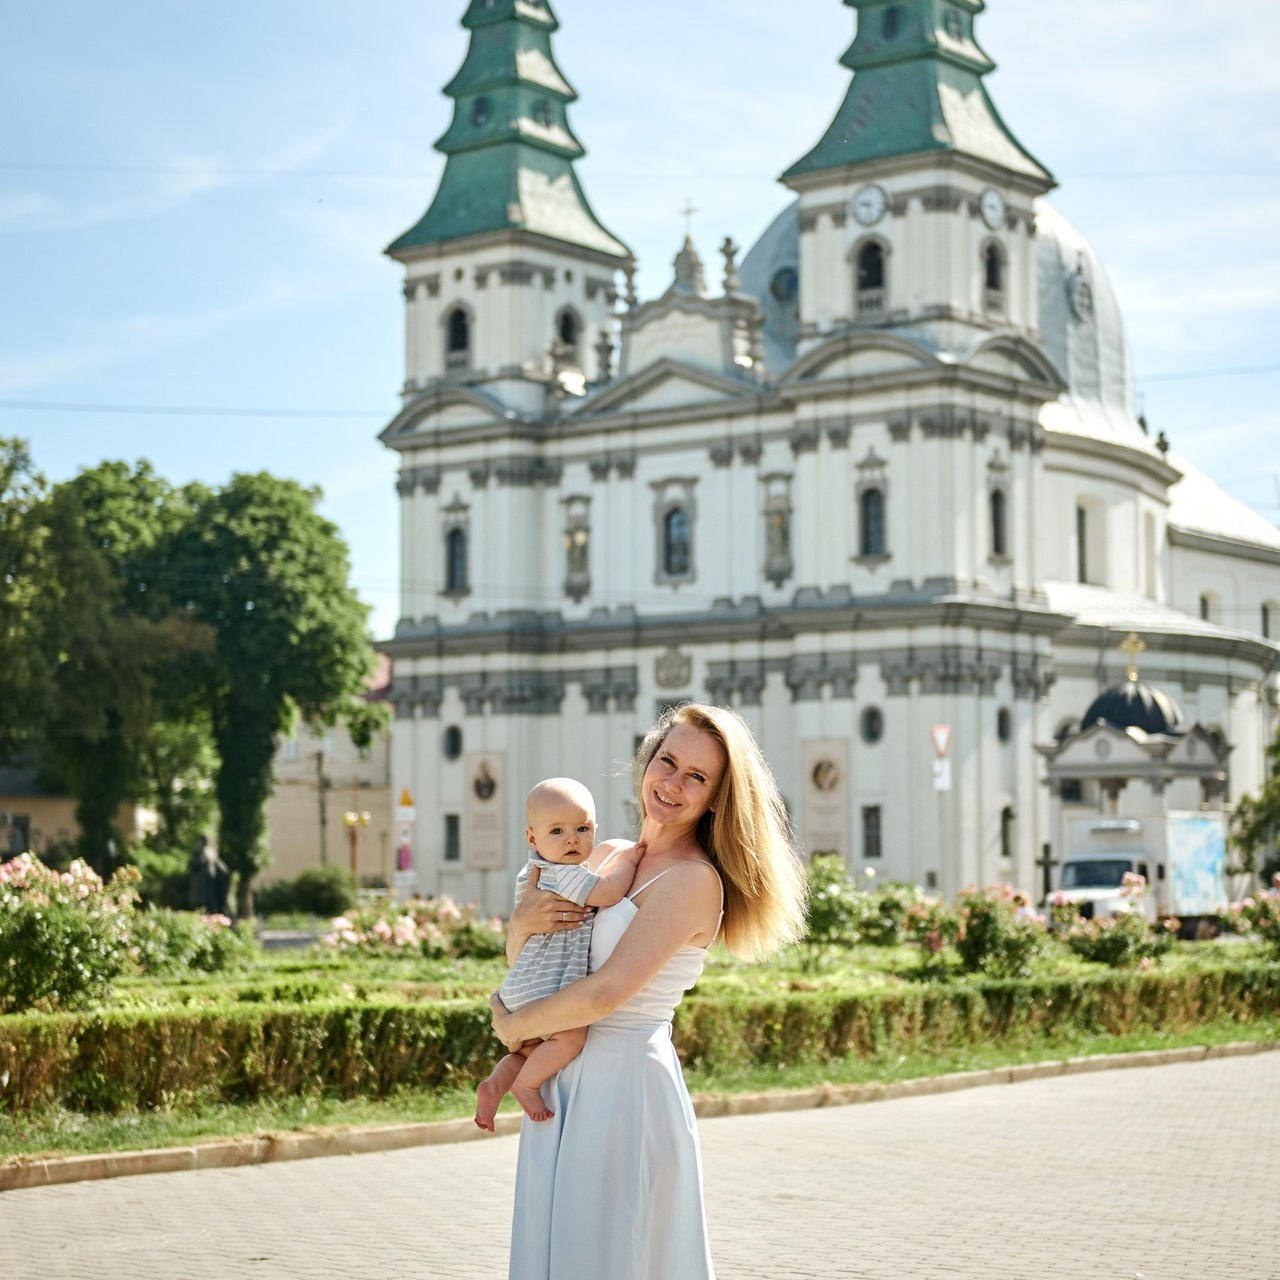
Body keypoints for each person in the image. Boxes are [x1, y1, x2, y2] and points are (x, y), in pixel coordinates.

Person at [491, 703, 808, 1280]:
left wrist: (515, 1028)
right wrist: (518, 928)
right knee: (558, 1249)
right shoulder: (603, 855)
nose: (673, 783)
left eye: (697, 777)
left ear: (716, 798)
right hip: (561, 1082)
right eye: (668, 761)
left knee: (613, 1250)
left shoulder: (693, 880)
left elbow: (607, 993)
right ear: (647, 760)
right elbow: (534, 960)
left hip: (623, 1088)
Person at [474, 777, 643, 1131]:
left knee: (525, 1051)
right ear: (532, 839)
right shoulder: (563, 874)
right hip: (546, 984)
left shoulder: (533, 873)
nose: (572, 839)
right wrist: (629, 859)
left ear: (595, 829)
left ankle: (495, 1085)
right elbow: (608, 892)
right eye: (557, 831)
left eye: (582, 828)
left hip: (523, 984)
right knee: (571, 1036)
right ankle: (526, 1084)